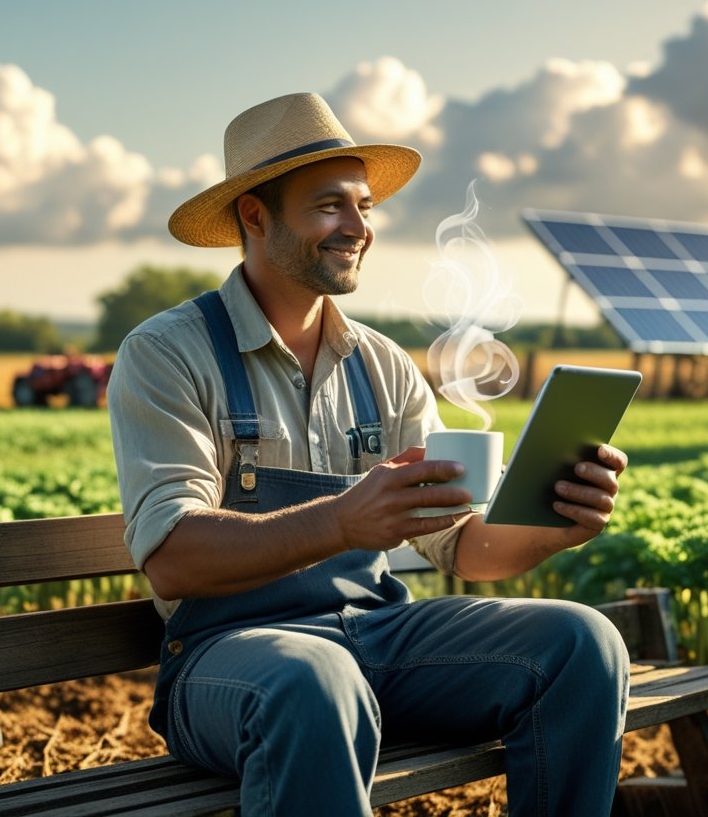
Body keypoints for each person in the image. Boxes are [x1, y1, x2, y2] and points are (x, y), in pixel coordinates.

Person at [108, 92, 631, 816]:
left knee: (582, 644)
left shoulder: (382, 364)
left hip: (379, 635)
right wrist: (342, 523)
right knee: (314, 676)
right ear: (254, 216)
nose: (359, 227)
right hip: (231, 657)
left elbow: (461, 545)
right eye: (330, 206)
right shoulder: (168, 354)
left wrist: (557, 523)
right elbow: (171, 554)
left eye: (364, 206)